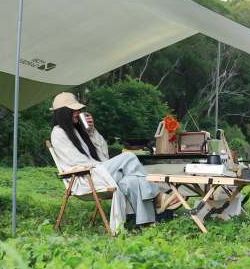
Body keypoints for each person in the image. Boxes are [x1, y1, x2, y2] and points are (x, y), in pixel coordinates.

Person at [49, 92, 176, 231]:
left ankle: (146, 224)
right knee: (129, 157)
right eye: (74, 110)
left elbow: (102, 151)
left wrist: (91, 131)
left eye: (78, 110)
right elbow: (76, 161)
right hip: (84, 178)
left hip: (96, 172)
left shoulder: (77, 130)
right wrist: (108, 166)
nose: (78, 113)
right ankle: (157, 196)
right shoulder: (58, 133)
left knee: (133, 181)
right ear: (63, 113)